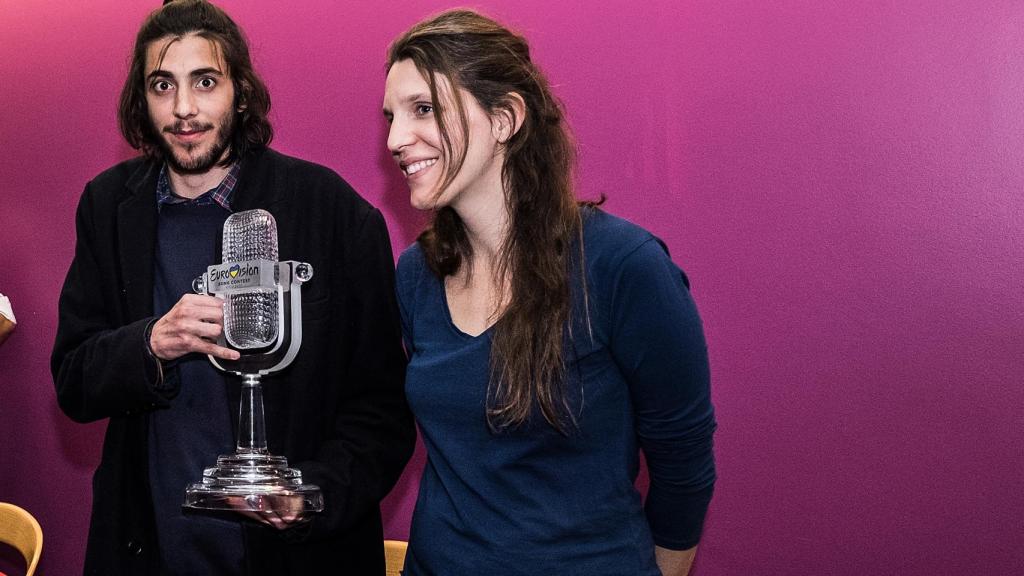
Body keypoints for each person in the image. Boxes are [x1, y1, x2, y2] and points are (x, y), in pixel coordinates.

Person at [51, 1, 414, 574]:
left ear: (240, 93)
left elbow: (383, 412)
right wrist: (152, 344)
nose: (184, 108)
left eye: (206, 82)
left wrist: (311, 496)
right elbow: (73, 380)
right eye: (162, 85)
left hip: (296, 559)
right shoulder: (107, 206)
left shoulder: (332, 212)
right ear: (141, 102)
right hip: (148, 552)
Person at [383, 9, 717, 576]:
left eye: (425, 110)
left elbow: (683, 465)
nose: (395, 139)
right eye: (390, 116)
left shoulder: (621, 266)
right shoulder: (417, 273)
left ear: (507, 117)